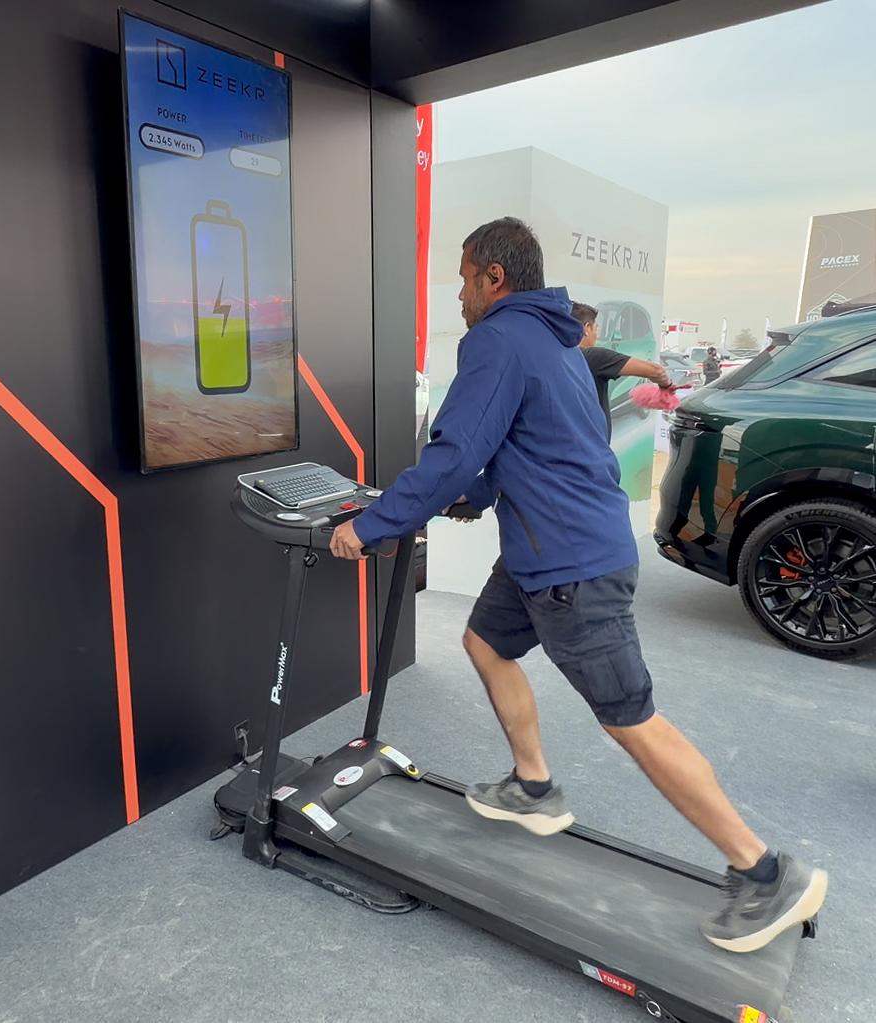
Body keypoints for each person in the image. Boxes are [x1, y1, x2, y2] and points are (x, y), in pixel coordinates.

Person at [328, 217, 827, 954]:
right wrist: (473, 496)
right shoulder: (557, 338)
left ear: (493, 277)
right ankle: (533, 787)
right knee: (484, 642)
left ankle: (762, 871)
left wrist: (371, 525)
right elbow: (523, 440)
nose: (458, 292)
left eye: (464, 276)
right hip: (548, 548)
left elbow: (457, 445)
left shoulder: (497, 336)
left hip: (570, 564)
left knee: (630, 717)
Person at [571, 302, 674, 439]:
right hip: (591, 449)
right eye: (596, 328)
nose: (597, 334)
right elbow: (656, 371)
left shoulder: (555, 357)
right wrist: (666, 387)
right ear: (587, 328)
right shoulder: (594, 357)